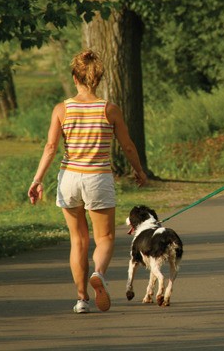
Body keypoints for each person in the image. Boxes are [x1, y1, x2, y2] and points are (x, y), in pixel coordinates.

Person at [28, 50, 147, 314]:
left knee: (78, 240)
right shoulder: (109, 109)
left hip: (69, 177)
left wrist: (37, 180)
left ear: (75, 77)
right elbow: (127, 146)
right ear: (99, 78)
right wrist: (138, 171)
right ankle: (100, 274)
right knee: (104, 237)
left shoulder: (62, 109)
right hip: (98, 178)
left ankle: (82, 299)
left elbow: (50, 147)